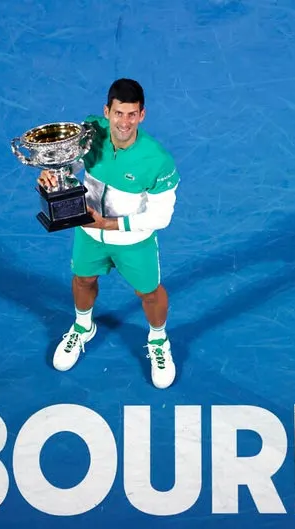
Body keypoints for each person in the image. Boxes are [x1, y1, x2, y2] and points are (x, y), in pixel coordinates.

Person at [37, 78, 180, 389]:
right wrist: (54, 173)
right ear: (107, 111)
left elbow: (161, 216)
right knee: (83, 280)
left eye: (132, 115)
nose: (124, 122)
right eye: (118, 114)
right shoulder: (90, 132)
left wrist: (110, 225)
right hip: (89, 234)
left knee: (149, 293)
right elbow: (72, 164)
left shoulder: (158, 161)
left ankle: (158, 341)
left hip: (133, 241)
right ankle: (83, 325)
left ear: (142, 115)